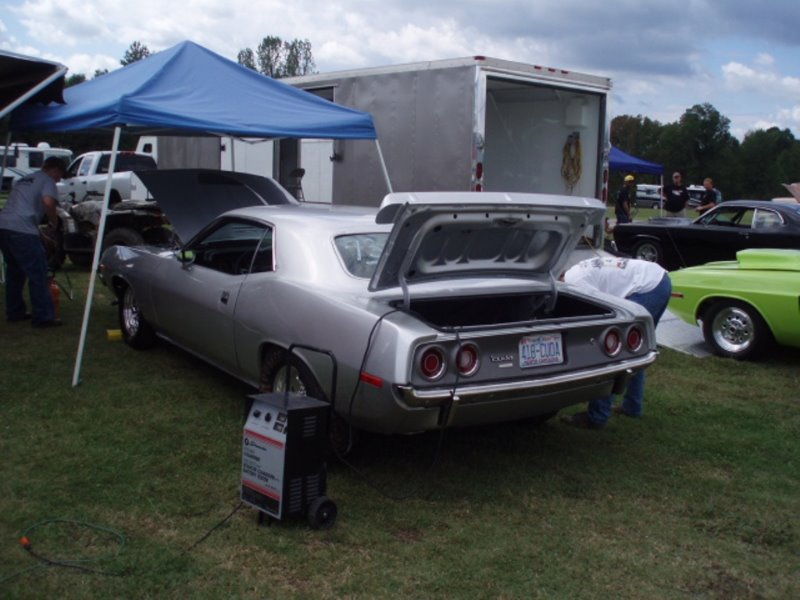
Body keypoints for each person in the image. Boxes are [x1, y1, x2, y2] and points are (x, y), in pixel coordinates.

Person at [560, 256, 671, 429]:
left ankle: (597, 417)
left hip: (646, 288)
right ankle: (632, 407)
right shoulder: (577, 270)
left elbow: (599, 311)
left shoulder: (575, 284)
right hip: (659, 279)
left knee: (610, 351)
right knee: (638, 348)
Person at [0, 156, 66, 327]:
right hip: (22, 229)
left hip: (4, 227)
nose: (60, 179)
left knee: (15, 271)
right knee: (38, 272)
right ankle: (43, 317)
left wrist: (41, 236)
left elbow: (21, 209)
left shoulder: (25, 179)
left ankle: (15, 312)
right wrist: (53, 221)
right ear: (55, 170)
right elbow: (48, 202)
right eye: (60, 175)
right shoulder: (47, 180)